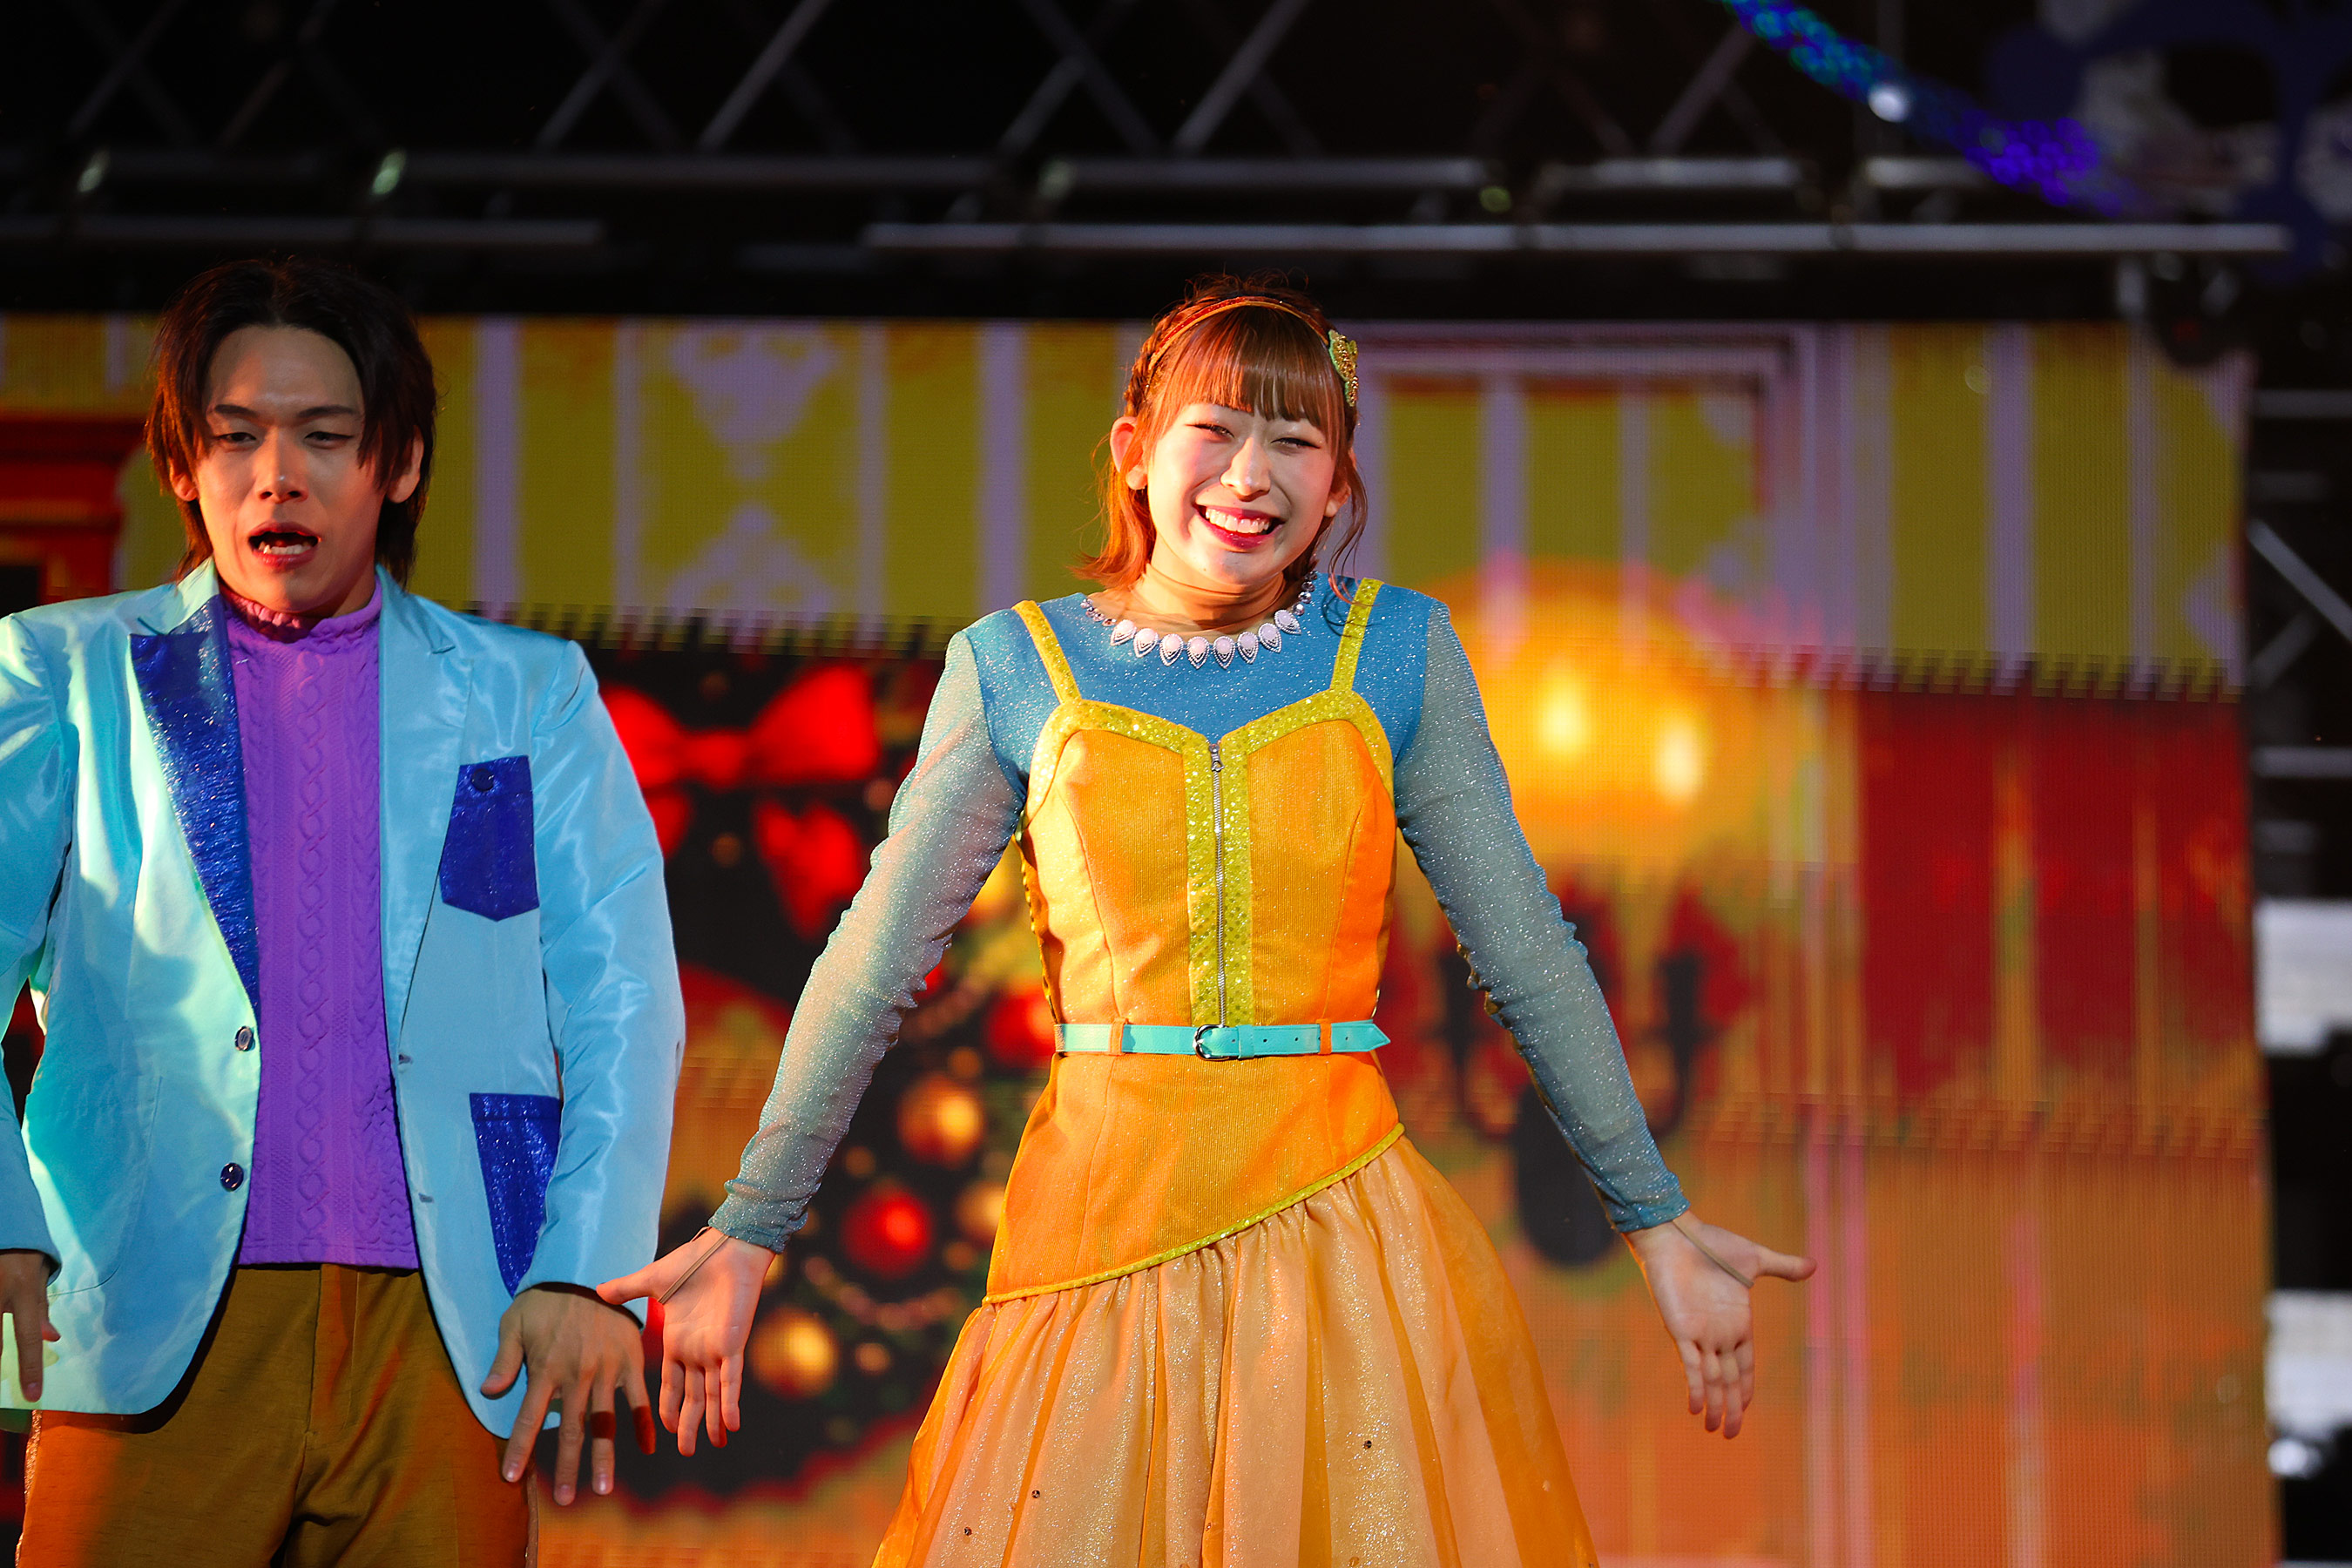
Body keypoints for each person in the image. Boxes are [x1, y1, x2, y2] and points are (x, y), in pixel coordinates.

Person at [605, 277, 1812, 1565]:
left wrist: (1653, 1217)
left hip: (1339, 1233)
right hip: (1098, 1230)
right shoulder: (1014, 667)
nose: (1251, 475)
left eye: (1295, 441)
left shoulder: (1396, 652)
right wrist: (750, 1227)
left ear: (1337, 489)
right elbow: (872, 964)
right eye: (1216, 431)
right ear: (1134, 452)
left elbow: (1525, 950)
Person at [0, 256, 685, 1565]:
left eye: (324, 436)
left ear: (400, 464)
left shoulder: (526, 691)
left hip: (451, 1329)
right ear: (181, 464)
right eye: (236, 436)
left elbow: (623, 999)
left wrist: (583, 1270)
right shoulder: (64, 673)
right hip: (145, 1312)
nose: (278, 476)